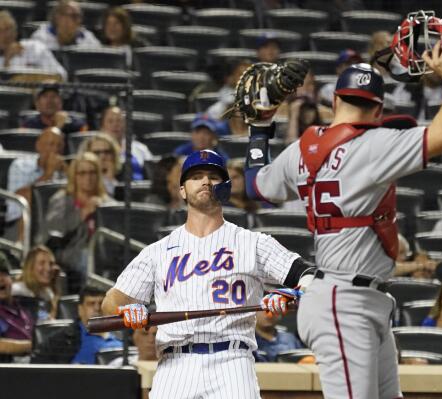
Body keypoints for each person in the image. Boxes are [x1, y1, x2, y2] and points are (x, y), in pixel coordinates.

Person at [245, 40, 442, 398]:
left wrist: (259, 128)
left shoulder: (305, 145)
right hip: (343, 302)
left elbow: (256, 185)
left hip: (356, 299)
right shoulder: (377, 143)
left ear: (334, 102)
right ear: (378, 110)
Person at [101, 150, 315, 399]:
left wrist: (293, 293)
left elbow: (309, 275)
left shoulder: (253, 242)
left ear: (225, 188)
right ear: (182, 190)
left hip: (233, 360)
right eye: (196, 176)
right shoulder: (157, 252)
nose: (205, 181)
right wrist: (126, 310)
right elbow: (111, 301)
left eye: (213, 176)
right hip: (175, 363)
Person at [45, 152, 111, 291]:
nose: (88, 177)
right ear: (74, 176)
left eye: (92, 172)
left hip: (102, 253)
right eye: (82, 173)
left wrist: (105, 209)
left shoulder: (106, 201)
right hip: (70, 252)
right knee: (87, 257)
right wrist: (83, 212)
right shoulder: (62, 199)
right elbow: (54, 228)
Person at [5, 127, 65, 230]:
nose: (55, 150)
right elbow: (21, 198)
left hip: (54, 224)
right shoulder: (20, 166)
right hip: (18, 224)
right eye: (51, 144)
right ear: (38, 146)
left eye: (59, 145)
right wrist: (48, 174)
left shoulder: (64, 170)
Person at [0, 11, 66, 80]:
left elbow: (61, 74)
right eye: (0, 30)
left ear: (16, 31)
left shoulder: (35, 47)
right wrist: (7, 60)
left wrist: (30, 78)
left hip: (40, 88)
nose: (6, 35)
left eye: (8, 29)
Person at [71, 285, 122, 364]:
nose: (97, 308)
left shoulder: (122, 339)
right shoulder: (68, 340)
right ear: (80, 309)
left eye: (101, 303)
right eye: (91, 304)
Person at [99, 106, 152, 181]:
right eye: (110, 121)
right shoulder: (96, 149)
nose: (115, 125)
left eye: (119, 121)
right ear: (102, 127)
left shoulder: (141, 149)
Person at [11, 245, 62, 321]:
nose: (48, 268)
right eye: (42, 263)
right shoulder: (16, 292)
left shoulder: (48, 294)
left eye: (51, 264)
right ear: (30, 267)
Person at [30, 0, 100, 50]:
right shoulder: (41, 37)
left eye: (79, 16)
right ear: (58, 17)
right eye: (73, 16)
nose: (77, 21)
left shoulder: (87, 37)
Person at [21, 83, 88, 135]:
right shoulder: (29, 126)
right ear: (37, 104)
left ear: (61, 103)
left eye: (54, 96)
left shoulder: (76, 125)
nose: (50, 101)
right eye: (45, 96)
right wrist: (58, 127)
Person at [0, 260, 33, 362]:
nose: (0, 279)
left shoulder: (25, 305)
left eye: (4, 275)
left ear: (12, 280)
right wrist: (32, 345)